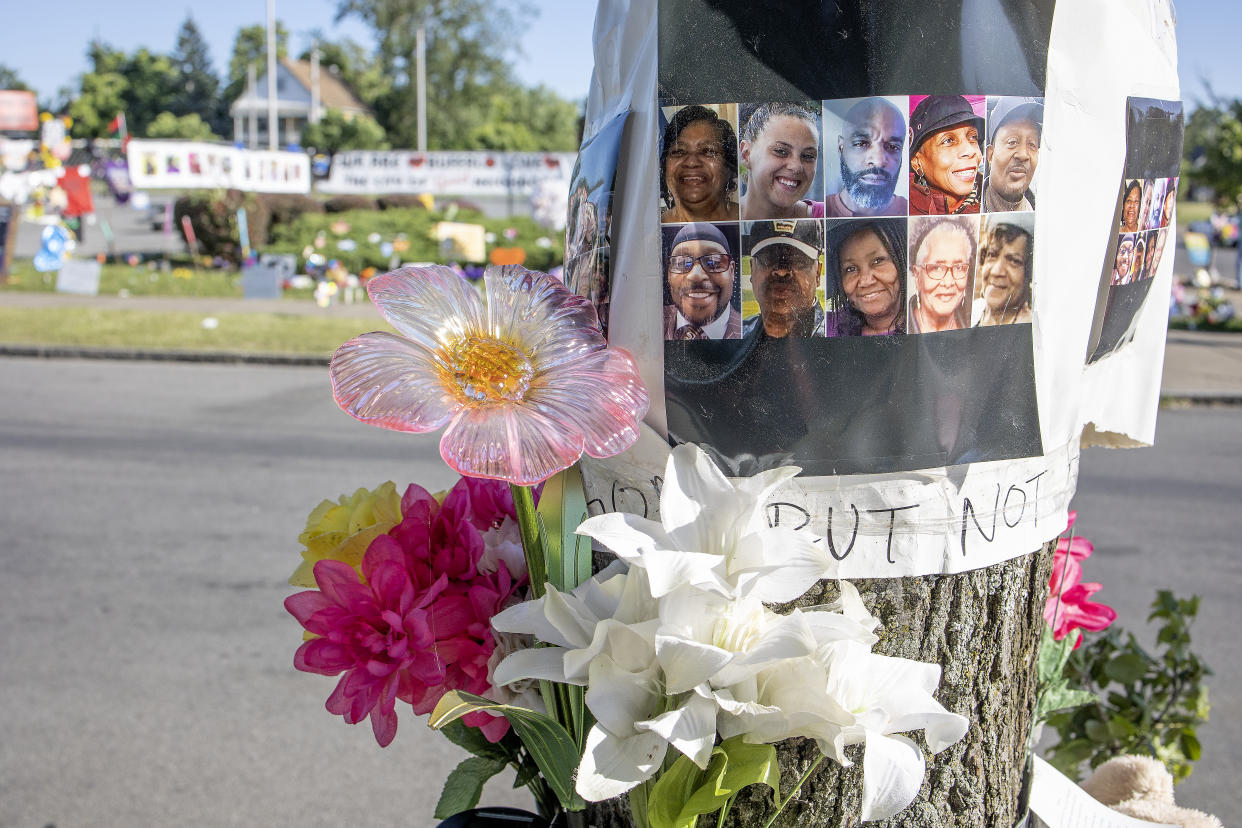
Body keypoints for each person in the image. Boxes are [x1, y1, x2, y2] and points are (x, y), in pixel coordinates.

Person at [825, 97, 909, 217]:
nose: (878, 161)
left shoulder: (910, 211)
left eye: (892, 147)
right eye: (861, 144)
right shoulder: (822, 210)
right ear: (841, 148)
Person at [742, 219, 825, 338]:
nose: (781, 271)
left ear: (817, 273)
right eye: (768, 258)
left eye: (797, 260)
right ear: (752, 270)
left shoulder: (839, 337)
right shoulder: (740, 335)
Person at [739, 103, 822, 220]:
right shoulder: (722, 217)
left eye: (807, 156)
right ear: (746, 154)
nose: (797, 166)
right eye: (781, 151)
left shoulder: (828, 214)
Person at [825, 218, 906, 335]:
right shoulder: (828, 328)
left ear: (901, 261)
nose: (865, 281)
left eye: (878, 261)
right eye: (851, 269)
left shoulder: (925, 322)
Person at [660, 105, 739, 223]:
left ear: (729, 168)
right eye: (679, 151)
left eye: (707, 151)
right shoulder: (649, 231)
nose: (692, 162)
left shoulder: (752, 221)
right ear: (665, 166)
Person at [662, 222, 742, 339]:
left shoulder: (751, 331)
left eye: (713, 262)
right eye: (681, 263)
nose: (696, 275)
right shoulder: (649, 322)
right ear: (669, 273)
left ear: (732, 271)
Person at [908, 95, 984, 215]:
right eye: (948, 141)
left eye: (972, 137)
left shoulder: (989, 204)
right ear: (917, 162)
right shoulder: (901, 210)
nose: (970, 151)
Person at [908, 216, 975, 332]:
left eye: (959, 267)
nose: (948, 282)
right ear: (917, 275)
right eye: (937, 268)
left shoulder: (974, 324)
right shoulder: (903, 325)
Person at [983, 97, 1042, 212]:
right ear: (990, 154)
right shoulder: (967, 211)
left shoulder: (1041, 217)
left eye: (1032, 144)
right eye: (1012, 142)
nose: (1023, 155)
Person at [973, 218, 1033, 326]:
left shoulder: (1030, 325)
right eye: (992, 255)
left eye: (1014, 261)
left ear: (1029, 273)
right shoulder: (974, 311)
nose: (996, 271)